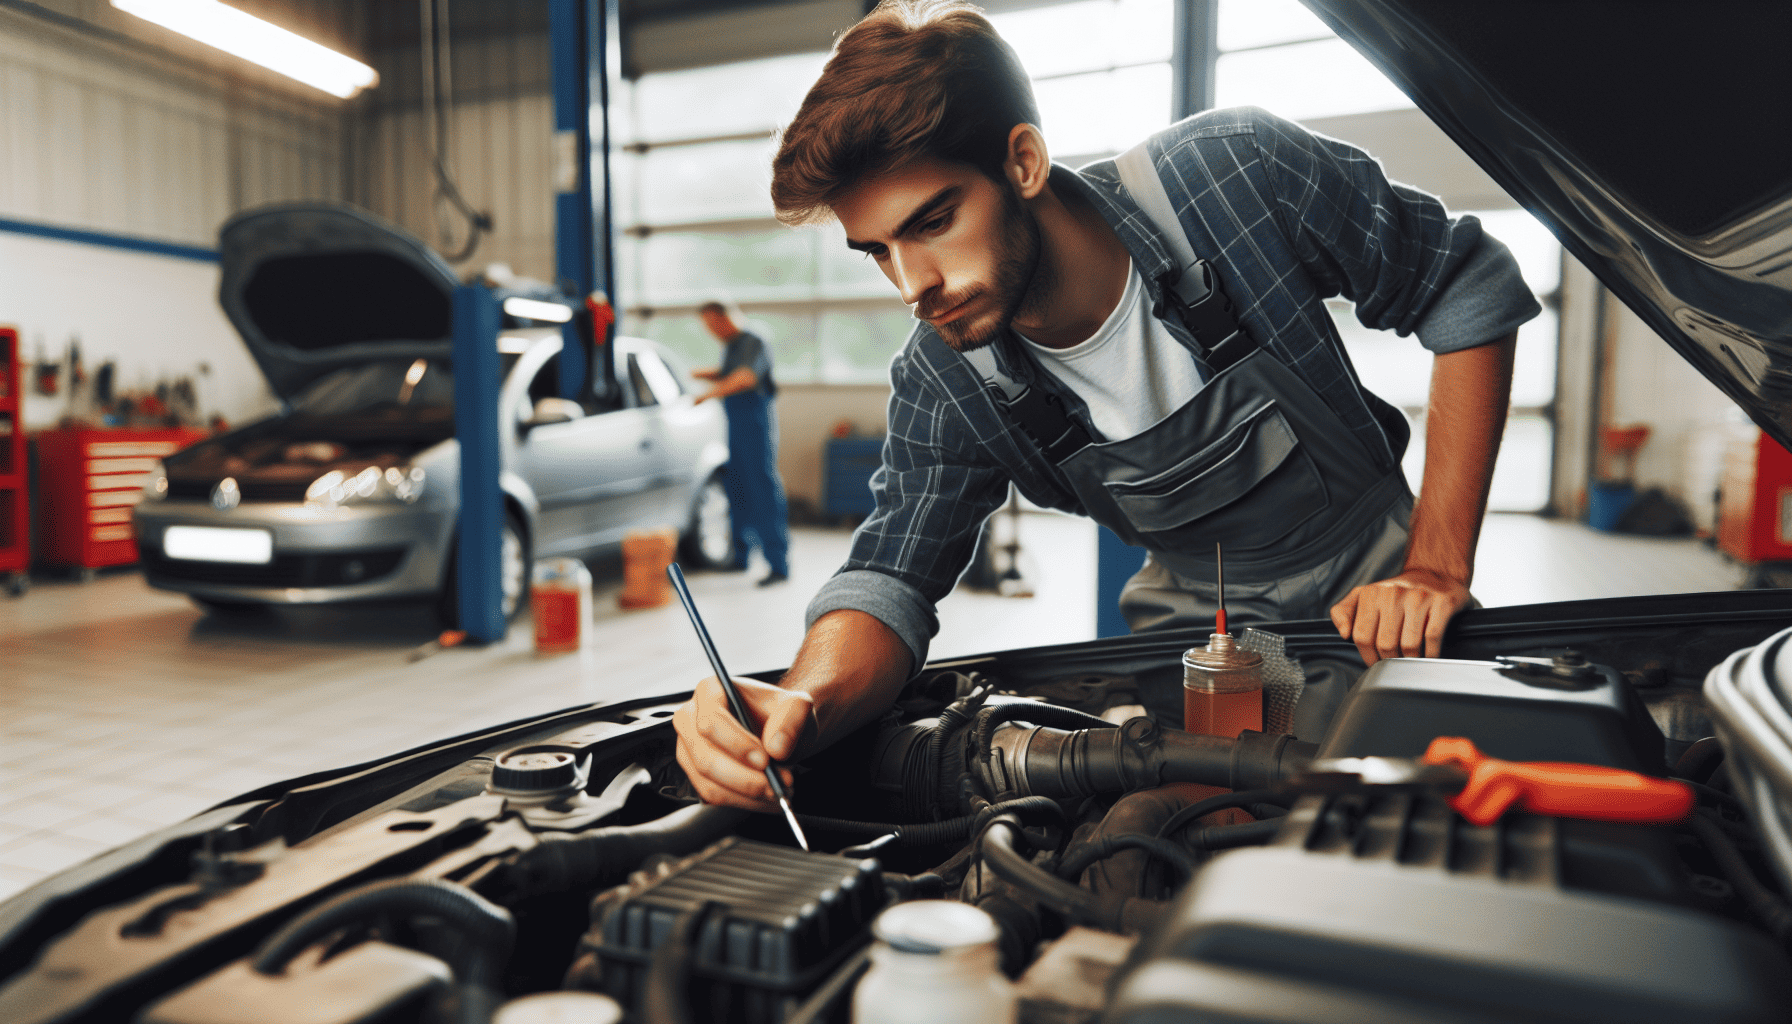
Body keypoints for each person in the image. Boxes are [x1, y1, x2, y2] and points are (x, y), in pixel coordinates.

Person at [673, 0, 1539, 811]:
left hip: (1377, 581)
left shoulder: (1233, 180)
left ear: (1022, 162)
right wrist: (802, 700)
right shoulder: (946, 377)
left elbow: (1464, 285)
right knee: (1236, 821)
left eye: (933, 222)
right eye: (878, 253)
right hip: (1214, 624)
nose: (914, 286)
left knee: (1436, 810)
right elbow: (892, 572)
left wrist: (1433, 567)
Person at [693, 301, 791, 586]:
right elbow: (730, 372)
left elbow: (745, 377)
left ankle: (778, 564)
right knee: (737, 489)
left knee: (762, 490)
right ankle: (740, 556)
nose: (711, 332)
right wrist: (708, 374)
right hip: (735, 429)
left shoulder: (753, 339)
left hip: (755, 426)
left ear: (726, 318)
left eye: (713, 325)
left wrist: (710, 393)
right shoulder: (731, 345)